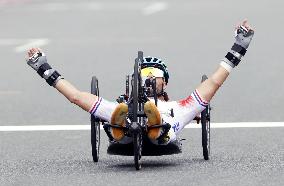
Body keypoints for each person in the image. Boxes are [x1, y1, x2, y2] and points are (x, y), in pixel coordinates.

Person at [25, 20, 254, 145]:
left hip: (164, 126)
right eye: (145, 73)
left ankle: (156, 130)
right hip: (126, 117)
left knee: (162, 123)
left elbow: (214, 81)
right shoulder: (118, 106)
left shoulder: (180, 106)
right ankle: (121, 129)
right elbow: (76, 96)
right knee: (117, 111)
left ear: (165, 83)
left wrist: (239, 46)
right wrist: (43, 67)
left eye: (155, 74)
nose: (150, 77)